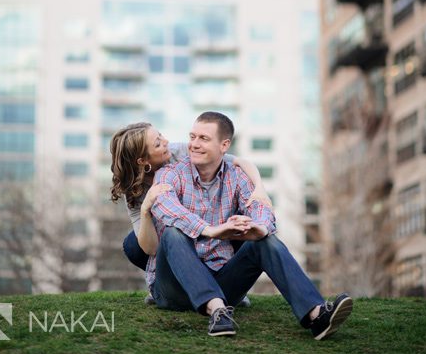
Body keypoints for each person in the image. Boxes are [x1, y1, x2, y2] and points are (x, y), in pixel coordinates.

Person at [147, 111, 353, 339]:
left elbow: (260, 206)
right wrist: (212, 230)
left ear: (224, 145)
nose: (194, 144)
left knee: (265, 239)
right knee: (173, 233)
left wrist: (258, 228)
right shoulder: (170, 173)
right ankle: (217, 312)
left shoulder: (236, 177)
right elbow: (164, 205)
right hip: (173, 289)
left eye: (203, 139)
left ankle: (317, 316)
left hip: (223, 283)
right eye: (192, 137)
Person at [110, 121, 271, 303]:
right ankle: (166, 286)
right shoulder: (133, 189)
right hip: (175, 235)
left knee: (242, 225)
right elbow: (151, 248)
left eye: (161, 135)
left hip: (210, 223)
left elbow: (239, 162)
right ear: (142, 161)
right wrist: (146, 208)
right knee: (133, 244)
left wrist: (260, 188)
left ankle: (230, 287)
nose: (166, 141)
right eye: (157, 143)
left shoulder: (178, 152)